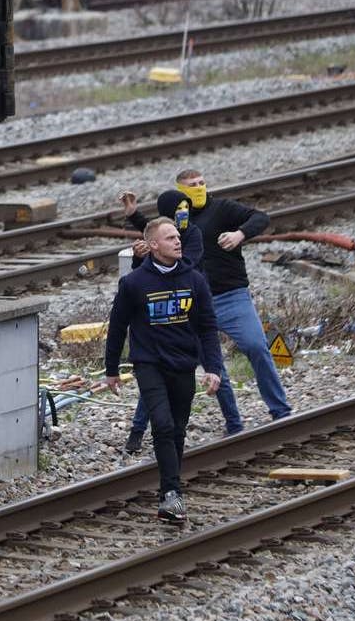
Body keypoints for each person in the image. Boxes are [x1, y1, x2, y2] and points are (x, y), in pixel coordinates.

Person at [121, 168, 290, 434]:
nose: (199, 188)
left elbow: (261, 217)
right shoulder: (177, 218)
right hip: (194, 305)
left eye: (202, 183)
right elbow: (155, 232)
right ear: (180, 190)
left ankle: (281, 411)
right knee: (214, 366)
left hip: (231, 296)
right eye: (192, 185)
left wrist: (240, 234)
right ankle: (234, 424)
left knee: (257, 347)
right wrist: (133, 216)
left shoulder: (222, 209)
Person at [100, 217, 225, 523]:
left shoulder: (194, 280)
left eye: (177, 237)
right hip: (149, 363)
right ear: (153, 245)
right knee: (162, 424)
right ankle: (172, 494)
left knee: (178, 430)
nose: (177, 241)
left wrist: (213, 368)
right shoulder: (133, 283)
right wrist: (111, 369)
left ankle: (170, 492)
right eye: (170, 238)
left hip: (183, 363)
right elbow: (117, 327)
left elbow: (208, 328)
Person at [118, 189, 202, 454]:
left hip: (184, 320)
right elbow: (151, 238)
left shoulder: (192, 237)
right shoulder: (161, 240)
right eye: (178, 209)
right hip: (156, 333)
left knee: (201, 376)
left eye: (185, 207)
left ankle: (233, 421)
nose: (183, 213)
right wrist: (140, 257)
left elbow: (184, 262)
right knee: (153, 384)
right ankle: (139, 432)